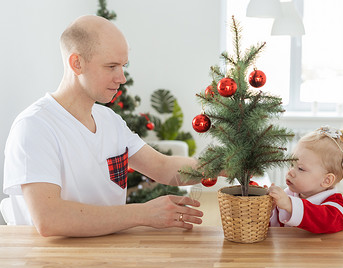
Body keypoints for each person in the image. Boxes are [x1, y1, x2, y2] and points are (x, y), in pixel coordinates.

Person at [3, 15, 204, 237]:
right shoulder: (34, 126)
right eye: (111, 66)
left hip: (107, 257)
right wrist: (143, 214)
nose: (122, 78)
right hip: (51, 266)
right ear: (76, 63)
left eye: (123, 66)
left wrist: (226, 163)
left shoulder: (110, 121)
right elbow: (50, 218)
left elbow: (163, 167)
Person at [268, 126, 343, 233]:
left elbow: (325, 220)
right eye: (291, 164)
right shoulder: (289, 196)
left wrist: (290, 205)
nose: (290, 171)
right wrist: (269, 210)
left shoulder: (339, 207)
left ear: (326, 180)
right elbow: (275, 230)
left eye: (300, 168)